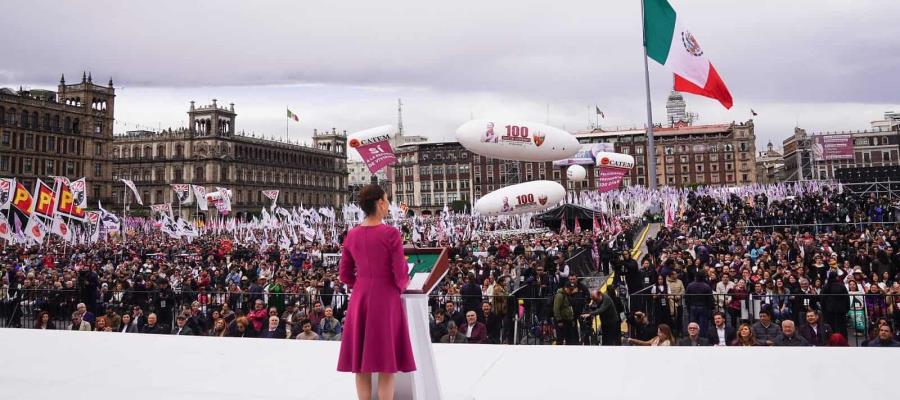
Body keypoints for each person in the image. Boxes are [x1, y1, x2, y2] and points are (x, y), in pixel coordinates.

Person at [336, 184, 416, 400]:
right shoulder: (391, 234)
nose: (389, 204)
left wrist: (362, 283)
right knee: (386, 364)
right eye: (387, 200)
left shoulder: (351, 235)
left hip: (360, 298)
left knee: (361, 364)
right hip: (386, 298)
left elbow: (344, 274)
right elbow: (400, 273)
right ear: (380, 203)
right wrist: (403, 284)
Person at [552, 281, 577, 345]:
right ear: (566, 288)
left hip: (567, 320)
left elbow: (568, 307)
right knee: (561, 338)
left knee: (569, 338)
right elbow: (556, 308)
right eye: (570, 289)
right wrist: (559, 321)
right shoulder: (559, 295)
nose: (571, 291)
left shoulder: (566, 294)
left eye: (572, 289)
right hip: (562, 321)